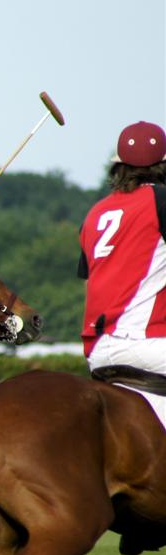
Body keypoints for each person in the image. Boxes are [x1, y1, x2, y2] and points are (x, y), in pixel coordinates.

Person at [78, 120, 166, 378]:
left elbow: (89, 283)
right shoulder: (161, 200)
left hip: (98, 351)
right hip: (148, 343)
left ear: (119, 167)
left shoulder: (95, 213)